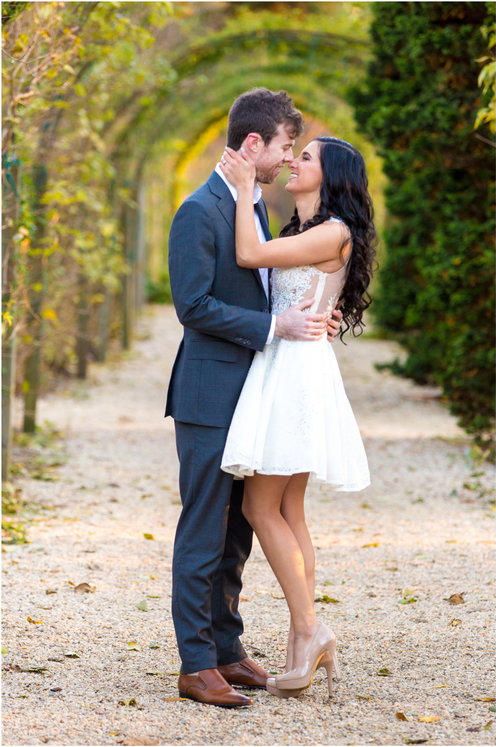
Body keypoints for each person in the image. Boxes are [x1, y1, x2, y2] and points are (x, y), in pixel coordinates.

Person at [165, 88, 321, 708]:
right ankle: (195, 664)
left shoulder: (251, 207)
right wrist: (271, 329)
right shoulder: (198, 211)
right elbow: (192, 305)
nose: (289, 158)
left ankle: (227, 650)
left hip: (252, 396)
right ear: (253, 143)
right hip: (207, 395)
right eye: (285, 145)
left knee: (236, 534)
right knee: (203, 529)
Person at [216, 132, 376, 699]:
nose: (293, 162)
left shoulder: (332, 231)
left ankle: (310, 629)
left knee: (262, 506)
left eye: (305, 158)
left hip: (294, 373)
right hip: (294, 365)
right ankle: (300, 638)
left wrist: (240, 190)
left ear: (329, 176)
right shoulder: (308, 232)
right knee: (289, 507)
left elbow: (248, 256)